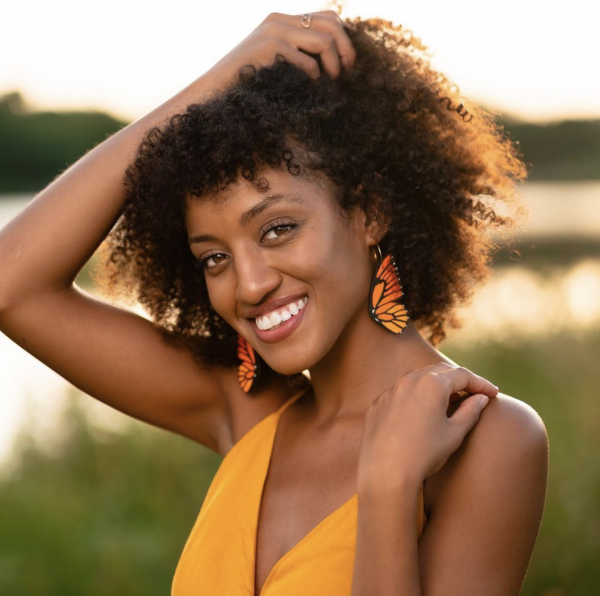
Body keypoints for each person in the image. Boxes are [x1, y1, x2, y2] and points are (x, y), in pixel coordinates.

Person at [0, 9, 549, 595]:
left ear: (370, 213)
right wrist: (215, 84)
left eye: (277, 229)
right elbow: (13, 285)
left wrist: (387, 493)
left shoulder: (483, 437)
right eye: (214, 258)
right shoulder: (247, 411)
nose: (250, 285)